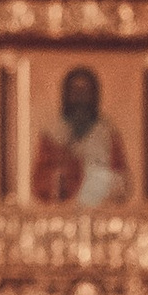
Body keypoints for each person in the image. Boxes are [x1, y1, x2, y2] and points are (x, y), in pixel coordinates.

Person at [34, 62, 134, 206]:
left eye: (85, 91)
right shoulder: (52, 133)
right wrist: (60, 177)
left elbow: (122, 178)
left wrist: (104, 181)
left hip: (101, 211)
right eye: (75, 91)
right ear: (66, 95)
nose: (80, 98)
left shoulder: (107, 132)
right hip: (61, 212)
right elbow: (41, 180)